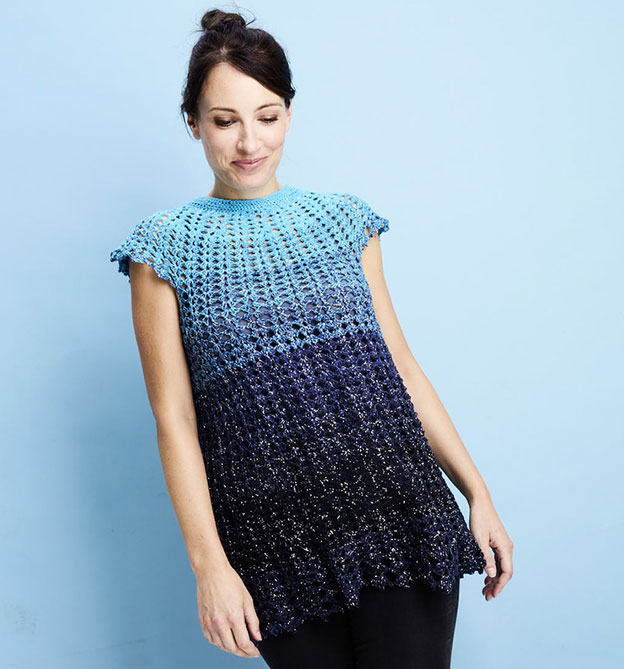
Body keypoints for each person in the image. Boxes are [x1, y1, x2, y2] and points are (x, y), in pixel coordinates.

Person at [109, 8, 513, 668]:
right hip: (271, 548)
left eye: (266, 116)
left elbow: (402, 369)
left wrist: (478, 493)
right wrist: (209, 566)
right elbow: (173, 418)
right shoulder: (162, 250)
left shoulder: (345, 221)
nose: (249, 141)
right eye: (225, 121)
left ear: (289, 114)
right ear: (193, 123)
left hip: (397, 512)